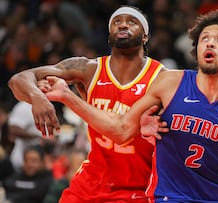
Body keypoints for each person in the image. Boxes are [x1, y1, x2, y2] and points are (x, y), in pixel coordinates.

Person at [40, 10, 218, 203]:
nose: (210, 43)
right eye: (204, 38)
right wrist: (68, 97)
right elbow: (122, 128)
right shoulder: (169, 83)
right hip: (170, 197)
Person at [8, 6, 166, 202]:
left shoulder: (161, 77)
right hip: (90, 182)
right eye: (117, 22)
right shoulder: (89, 69)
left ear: (145, 37)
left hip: (136, 186)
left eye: (132, 22)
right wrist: (36, 97)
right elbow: (19, 79)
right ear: (109, 35)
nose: (123, 24)